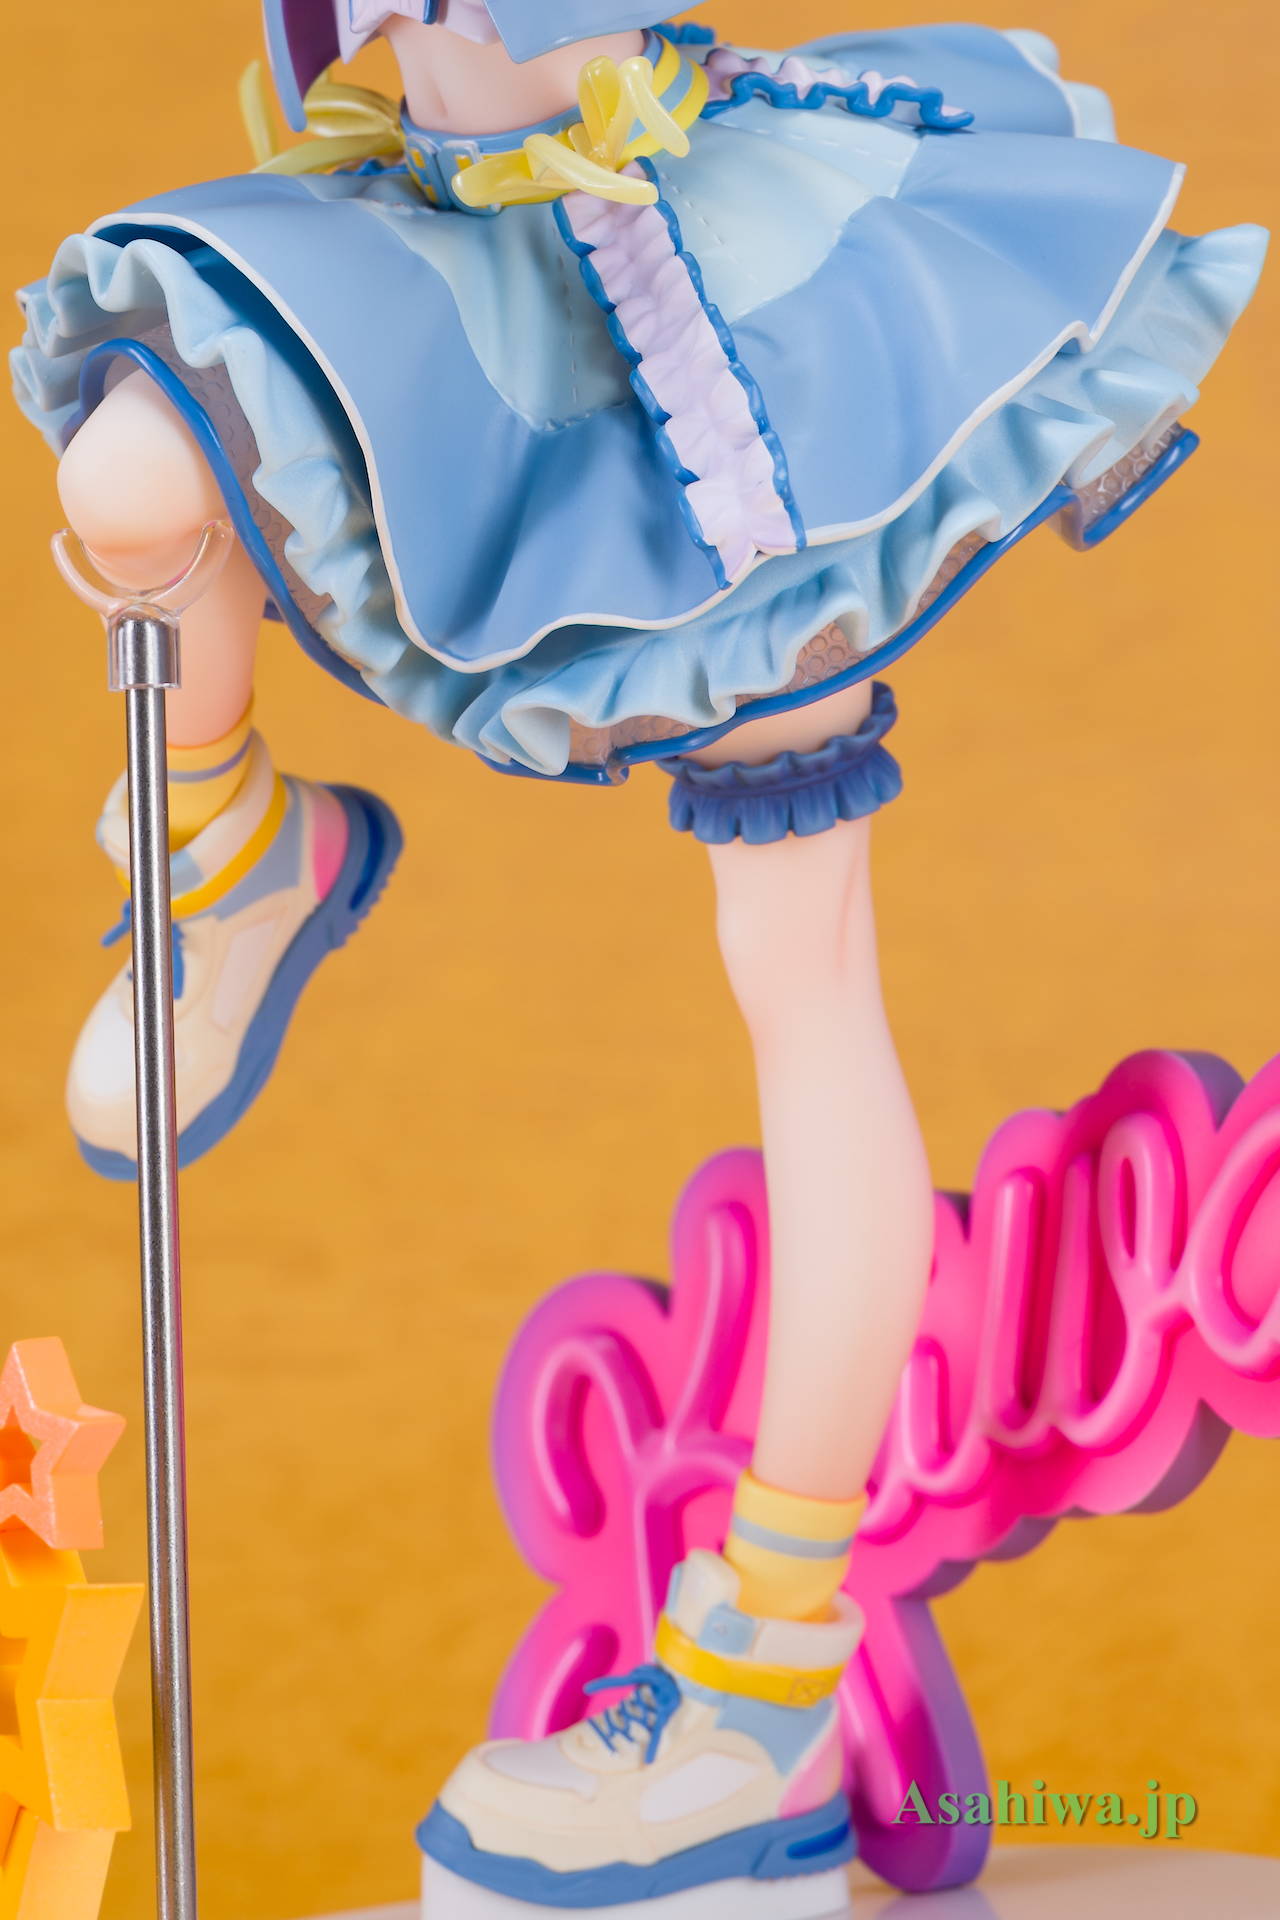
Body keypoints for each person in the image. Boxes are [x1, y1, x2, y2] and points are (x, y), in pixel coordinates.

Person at [12, 3, 1265, 1912]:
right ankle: (234, 849)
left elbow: (542, 59)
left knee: (804, 968)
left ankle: (766, 1660)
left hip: (697, 338)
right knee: (135, 448)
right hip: (464, 236)